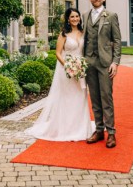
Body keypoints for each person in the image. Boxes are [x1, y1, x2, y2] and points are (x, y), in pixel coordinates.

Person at [25, 8, 95, 141]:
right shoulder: (64, 34)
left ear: (80, 18)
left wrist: (80, 67)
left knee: (81, 97)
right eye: (72, 17)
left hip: (80, 70)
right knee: (67, 99)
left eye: (77, 16)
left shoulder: (83, 32)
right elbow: (57, 53)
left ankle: (80, 127)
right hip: (66, 70)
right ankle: (65, 129)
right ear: (68, 19)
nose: (75, 19)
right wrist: (68, 67)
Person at [83, 0, 121, 148]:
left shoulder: (111, 16)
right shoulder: (85, 16)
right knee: (95, 98)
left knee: (106, 97)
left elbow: (117, 40)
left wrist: (115, 62)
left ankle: (111, 133)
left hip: (105, 62)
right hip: (89, 61)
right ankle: (99, 130)